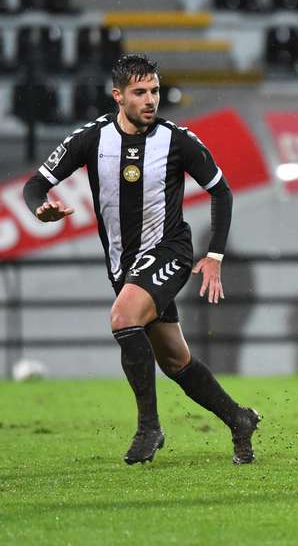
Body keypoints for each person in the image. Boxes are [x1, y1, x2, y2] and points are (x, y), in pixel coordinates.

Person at [21, 54, 260, 465]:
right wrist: (40, 208)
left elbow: (221, 191)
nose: (150, 100)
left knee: (122, 317)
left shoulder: (178, 140)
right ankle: (238, 418)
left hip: (170, 251)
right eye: (140, 92)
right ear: (118, 96)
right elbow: (35, 185)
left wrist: (214, 255)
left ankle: (149, 427)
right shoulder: (92, 138)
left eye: (154, 91)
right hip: (124, 265)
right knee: (174, 359)